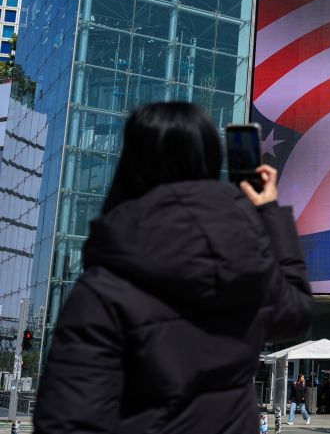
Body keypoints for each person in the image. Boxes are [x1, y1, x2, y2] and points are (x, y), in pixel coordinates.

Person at [33, 102, 313, 434]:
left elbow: (66, 422)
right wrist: (269, 211)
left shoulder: (104, 287)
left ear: (132, 163)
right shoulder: (250, 266)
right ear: (210, 159)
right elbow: (297, 312)